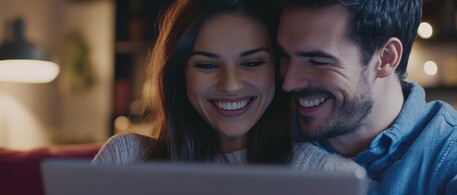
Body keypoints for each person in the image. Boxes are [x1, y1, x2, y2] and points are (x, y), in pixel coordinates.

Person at [277, 0, 457, 195]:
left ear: (385, 57)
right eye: (284, 56)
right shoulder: (268, 142)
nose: (289, 82)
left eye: (317, 61)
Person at [93, 0, 357, 172]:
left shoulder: (326, 174)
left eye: (252, 63)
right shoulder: (124, 160)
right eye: (207, 65)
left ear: (278, 70)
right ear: (178, 75)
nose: (230, 85)